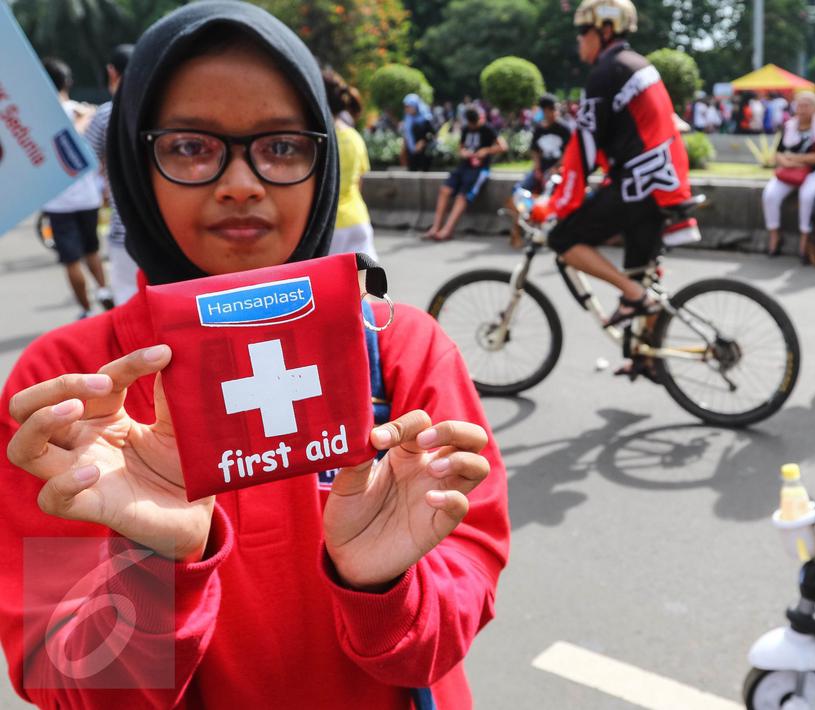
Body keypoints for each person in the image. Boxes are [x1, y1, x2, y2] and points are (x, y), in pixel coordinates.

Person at [0, 4, 509, 709]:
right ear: (132, 163)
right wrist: (162, 567)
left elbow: (449, 623)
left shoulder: (402, 348)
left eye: (281, 146)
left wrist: (382, 586)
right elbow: (71, 685)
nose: (241, 182)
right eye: (188, 147)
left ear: (321, 160)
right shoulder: (71, 393)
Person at [530, 0, 693, 332]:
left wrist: (560, 204)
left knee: (562, 239)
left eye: (583, 31)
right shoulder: (635, 64)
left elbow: (584, 147)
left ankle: (634, 297)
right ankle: (646, 357)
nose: (579, 39)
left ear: (605, 31)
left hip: (642, 186)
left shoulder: (607, 73)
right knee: (639, 273)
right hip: (662, 181)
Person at [40, 57, 112, 319]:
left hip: (57, 201)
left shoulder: (37, 120)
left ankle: (86, 309)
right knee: (92, 250)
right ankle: (104, 290)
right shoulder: (83, 113)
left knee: (71, 260)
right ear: (68, 82)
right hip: (88, 197)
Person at [84, 44, 136, 306]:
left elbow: (84, 160)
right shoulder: (162, 112)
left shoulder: (106, 114)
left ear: (111, 72)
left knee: (128, 302)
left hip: (123, 230)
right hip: (169, 230)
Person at [761, 91, 815, 259]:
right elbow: (778, 153)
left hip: (813, 173)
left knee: (807, 197)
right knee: (770, 195)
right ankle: (775, 236)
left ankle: (805, 239)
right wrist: (789, 162)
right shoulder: (789, 127)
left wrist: (793, 158)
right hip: (789, 172)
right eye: (800, 105)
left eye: (806, 105)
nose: (802, 109)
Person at [423, 109, 506, 242]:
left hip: (479, 169)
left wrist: (486, 150)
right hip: (464, 166)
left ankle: (447, 230)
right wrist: (464, 153)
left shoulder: (488, 128)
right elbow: (460, 148)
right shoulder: (466, 129)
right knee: (445, 190)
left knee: (462, 196)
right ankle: (435, 227)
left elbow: (503, 146)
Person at [323, 67, 378, 260]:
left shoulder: (321, 142)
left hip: (329, 227)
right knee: (366, 288)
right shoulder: (355, 138)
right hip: (358, 220)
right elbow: (359, 182)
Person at [506, 94, 572, 248]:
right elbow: (535, 152)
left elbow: (569, 153)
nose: (553, 112)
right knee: (517, 192)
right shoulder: (539, 129)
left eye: (554, 109)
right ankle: (516, 233)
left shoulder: (565, 128)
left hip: (558, 171)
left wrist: (556, 168)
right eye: (550, 109)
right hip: (541, 170)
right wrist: (537, 168)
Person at [401, 93, 435, 172]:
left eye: (409, 106)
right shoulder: (408, 119)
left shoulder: (426, 119)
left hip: (424, 155)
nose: (407, 109)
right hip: (411, 154)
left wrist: (423, 141)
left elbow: (432, 134)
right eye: (406, 107)